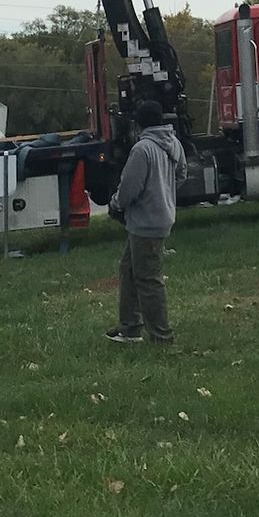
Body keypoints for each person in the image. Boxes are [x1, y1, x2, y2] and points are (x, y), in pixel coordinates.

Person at [105, 99, 184, 345]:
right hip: (160, 217)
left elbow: (129, 189)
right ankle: (129, 328)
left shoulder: (142, 149)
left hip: (145, 222)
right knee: (128, 269)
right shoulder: (174, 143)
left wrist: (115, 204)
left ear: (138, 122)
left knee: (148, 280)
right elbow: (181, 174)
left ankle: (162, 336)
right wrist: (164, 193)